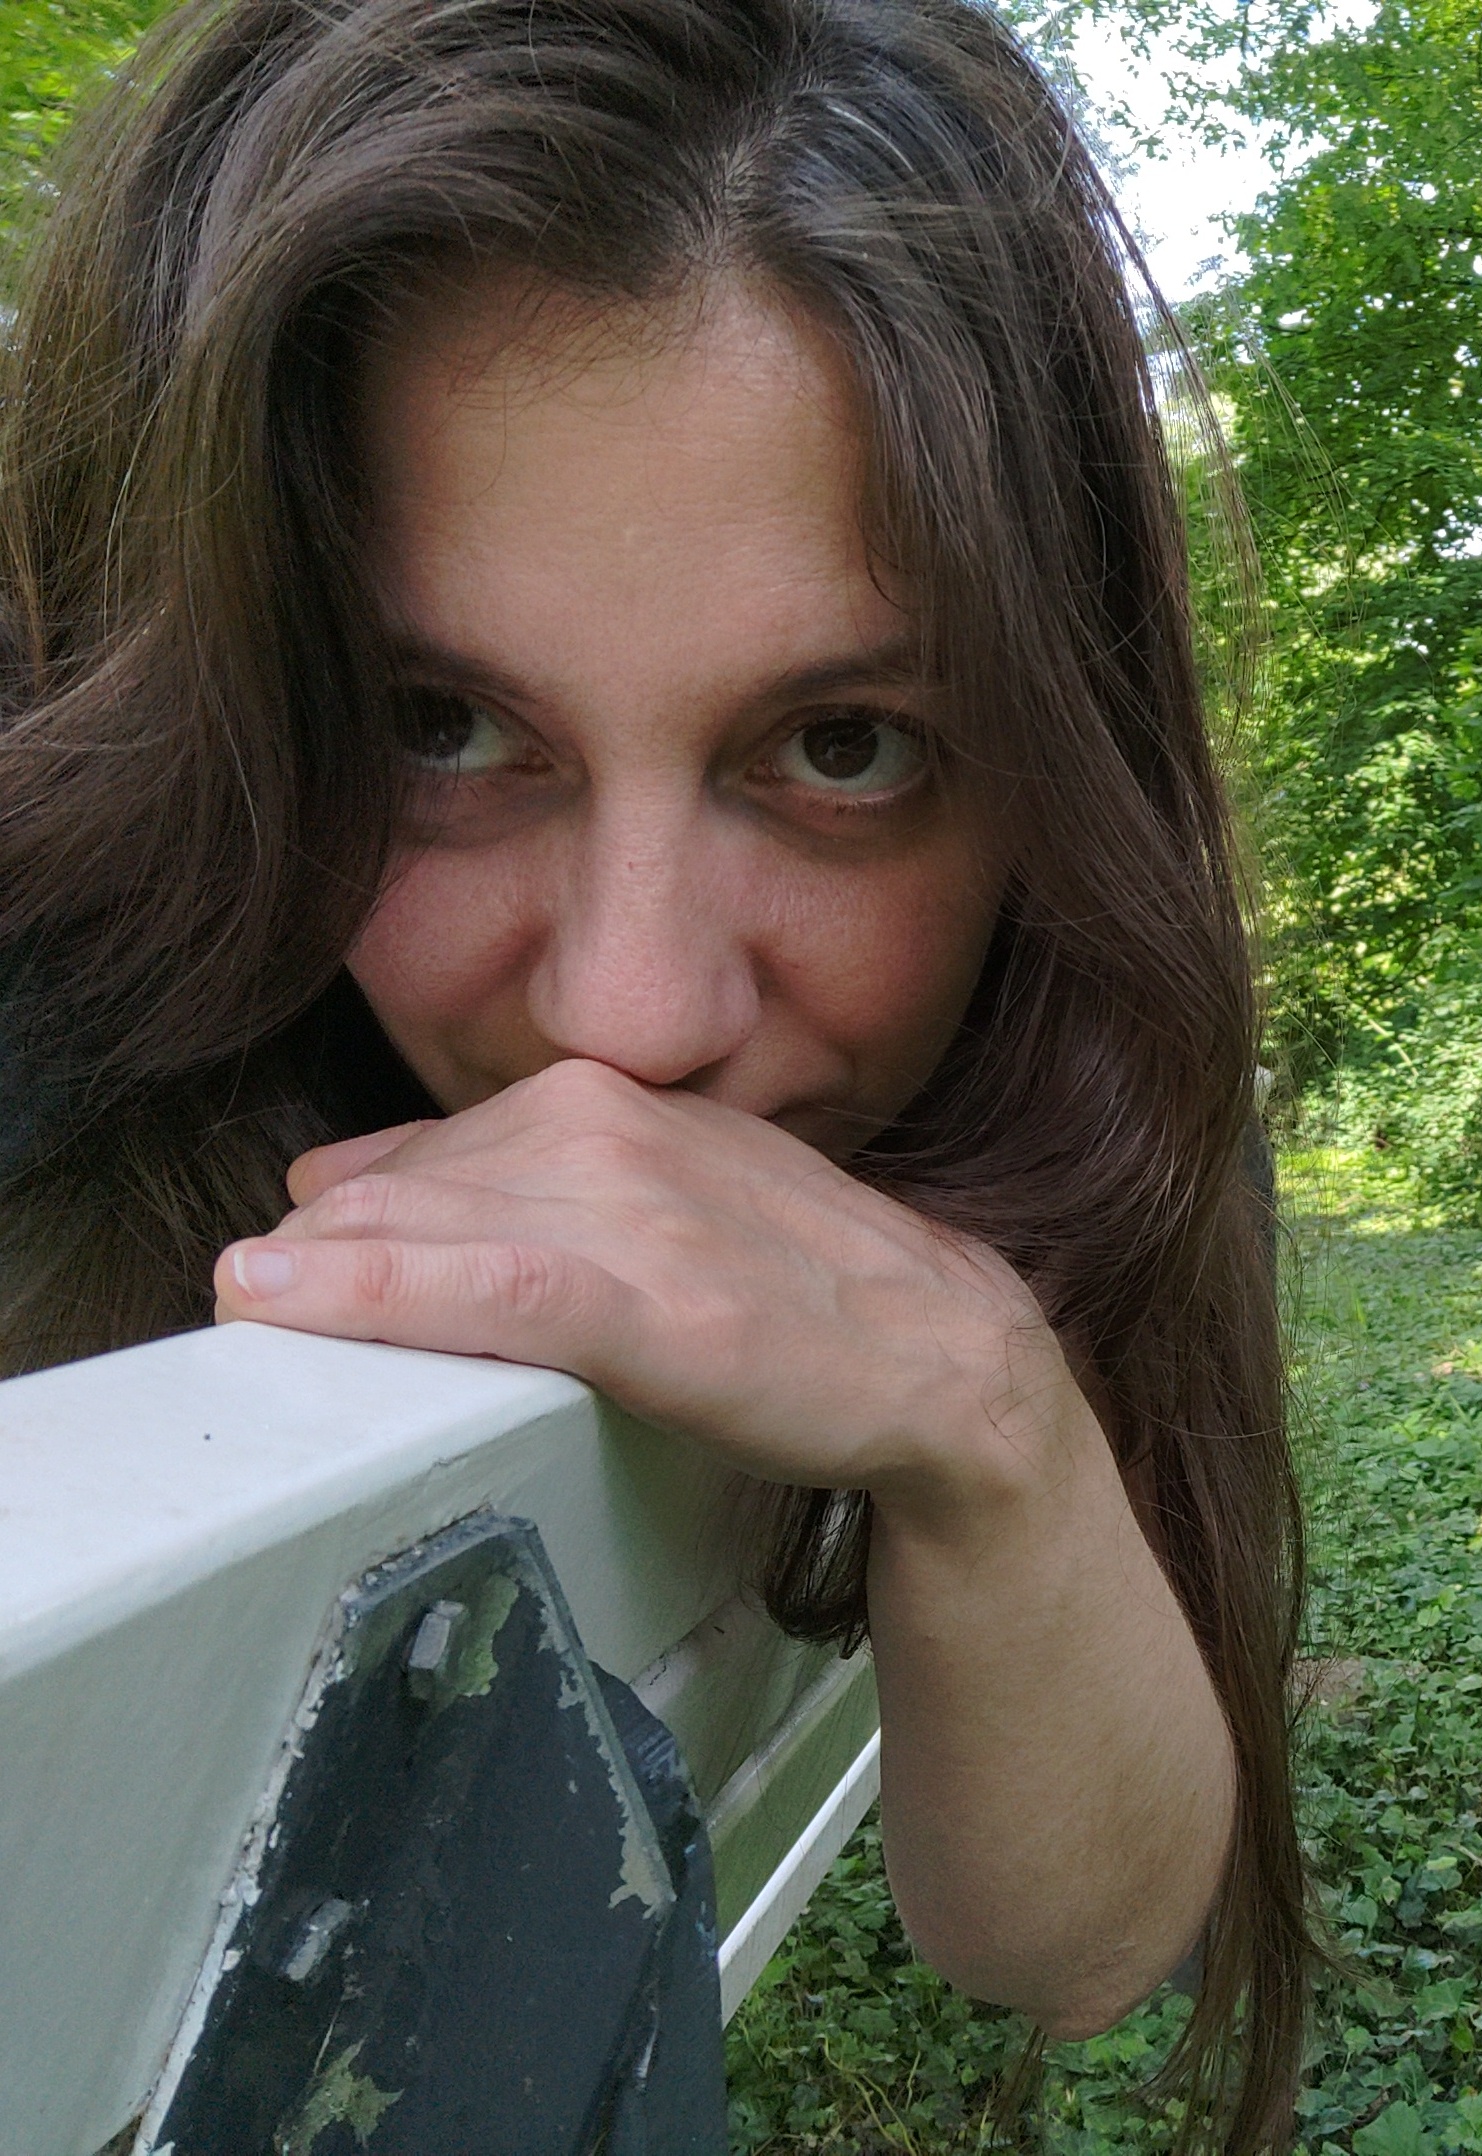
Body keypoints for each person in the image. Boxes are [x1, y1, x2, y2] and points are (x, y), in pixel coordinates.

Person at [0, 0, 1308, 2140]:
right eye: (440, 725)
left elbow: (1073, 1948)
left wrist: (992, 1421)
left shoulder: (1085, 1058)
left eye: (842, 747)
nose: (626, 1013)